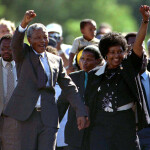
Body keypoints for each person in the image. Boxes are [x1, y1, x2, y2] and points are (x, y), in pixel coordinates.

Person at [3, 10, 88, 150]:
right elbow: (15, 44)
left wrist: (80, 111)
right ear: (29, 40)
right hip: (26, 116)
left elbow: (69, 87)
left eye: (45, 37)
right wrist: (24, 24)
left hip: (49, 117)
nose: (43, 41)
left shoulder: (56, 60)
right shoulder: (23, 54)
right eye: (38, 38)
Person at [84, 5, 150, 150]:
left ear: (125, 52)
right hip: (100, 125)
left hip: (125, 124)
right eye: (112, 52)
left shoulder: (129, 68)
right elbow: (88, 101)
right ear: (105, 54)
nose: (116, 56)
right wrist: (84, 117)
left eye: (119, 52)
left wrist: (145, 21)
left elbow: (138, 45)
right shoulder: (94, 75)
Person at [57, 45, 104, 150]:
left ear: (98, 61)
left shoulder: (104, 78)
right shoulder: (73, 77)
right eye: (82, 58)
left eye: (89, 59)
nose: (84, 62)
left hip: (97, 133)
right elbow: (61, 104)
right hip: (75, 133)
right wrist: (51, 126)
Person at [0, 34, 19, 150]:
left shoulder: (23, 66)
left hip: (13, 118)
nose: (6, 51)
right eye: (3, 49)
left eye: (10, 48)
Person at [138, 51, 150, 150]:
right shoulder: (123, 81)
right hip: (133, 133)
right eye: (139, 57)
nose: (143, 60)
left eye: (145, 57)